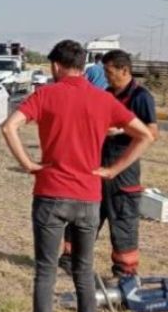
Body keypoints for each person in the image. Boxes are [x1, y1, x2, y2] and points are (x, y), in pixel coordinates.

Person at [1, 40, 154, 312]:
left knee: (45, 273)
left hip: (50, 195)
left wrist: (28, 163)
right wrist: (113, 171)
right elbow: (145, 134)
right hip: (89, 198)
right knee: (85, 273)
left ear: (56, 65)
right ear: (84, 66)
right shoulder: (104, 99)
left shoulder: (46, 95)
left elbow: (8, 126)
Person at [59, 49, 159, 279]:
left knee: (122, 220)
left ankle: (124, 272)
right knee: (84, 213)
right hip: (98, 164)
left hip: (123, 168)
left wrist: (122, 129)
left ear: (124, 70)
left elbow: (152, 132)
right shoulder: (107, 94)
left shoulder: (141, 97)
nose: (106, 75)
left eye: (109, 70)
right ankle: (70, 259)